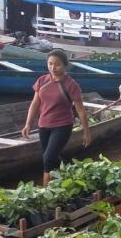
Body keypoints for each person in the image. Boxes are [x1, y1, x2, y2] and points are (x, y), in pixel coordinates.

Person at [21, 49, 91, 186]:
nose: (53, 68)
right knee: (51, 157)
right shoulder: (42, 80)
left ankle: (45, 190)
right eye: (50, 64)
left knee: (48, 158)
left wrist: (86, 132)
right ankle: (67, 174)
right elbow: (35, 103)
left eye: (57, 64)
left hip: (62, 125)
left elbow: (81, 111)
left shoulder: (71, 85)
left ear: (65, 65)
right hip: (43, 125)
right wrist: (28, 123)